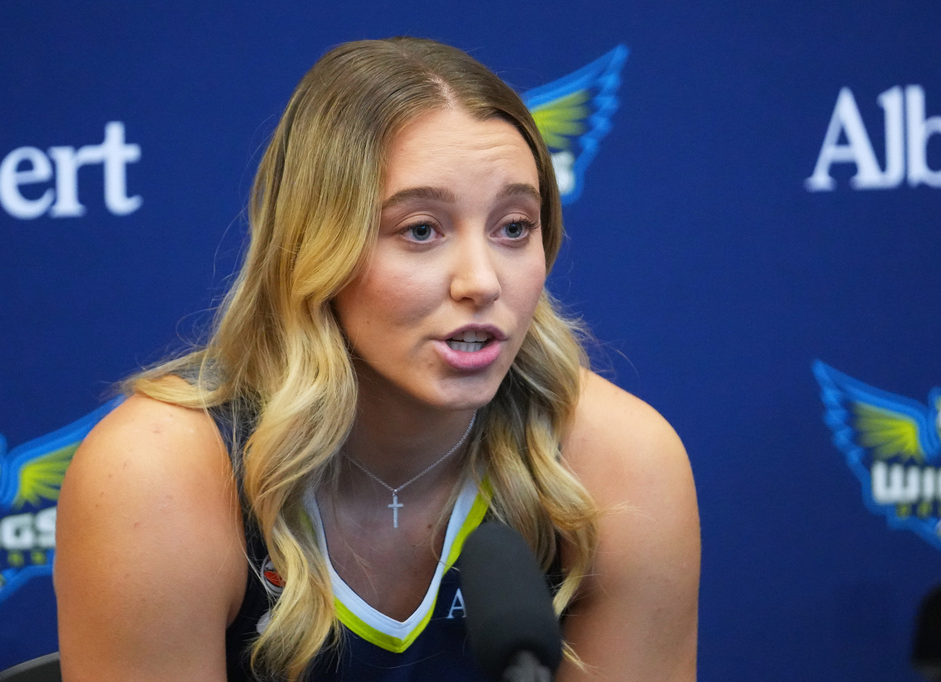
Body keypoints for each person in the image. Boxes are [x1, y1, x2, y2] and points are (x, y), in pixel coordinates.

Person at [53, 37, 700, 682]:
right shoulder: (159, 476)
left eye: (513, 227)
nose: (482, 281)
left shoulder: (621, 466)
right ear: (314, 248)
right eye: (421, 230)